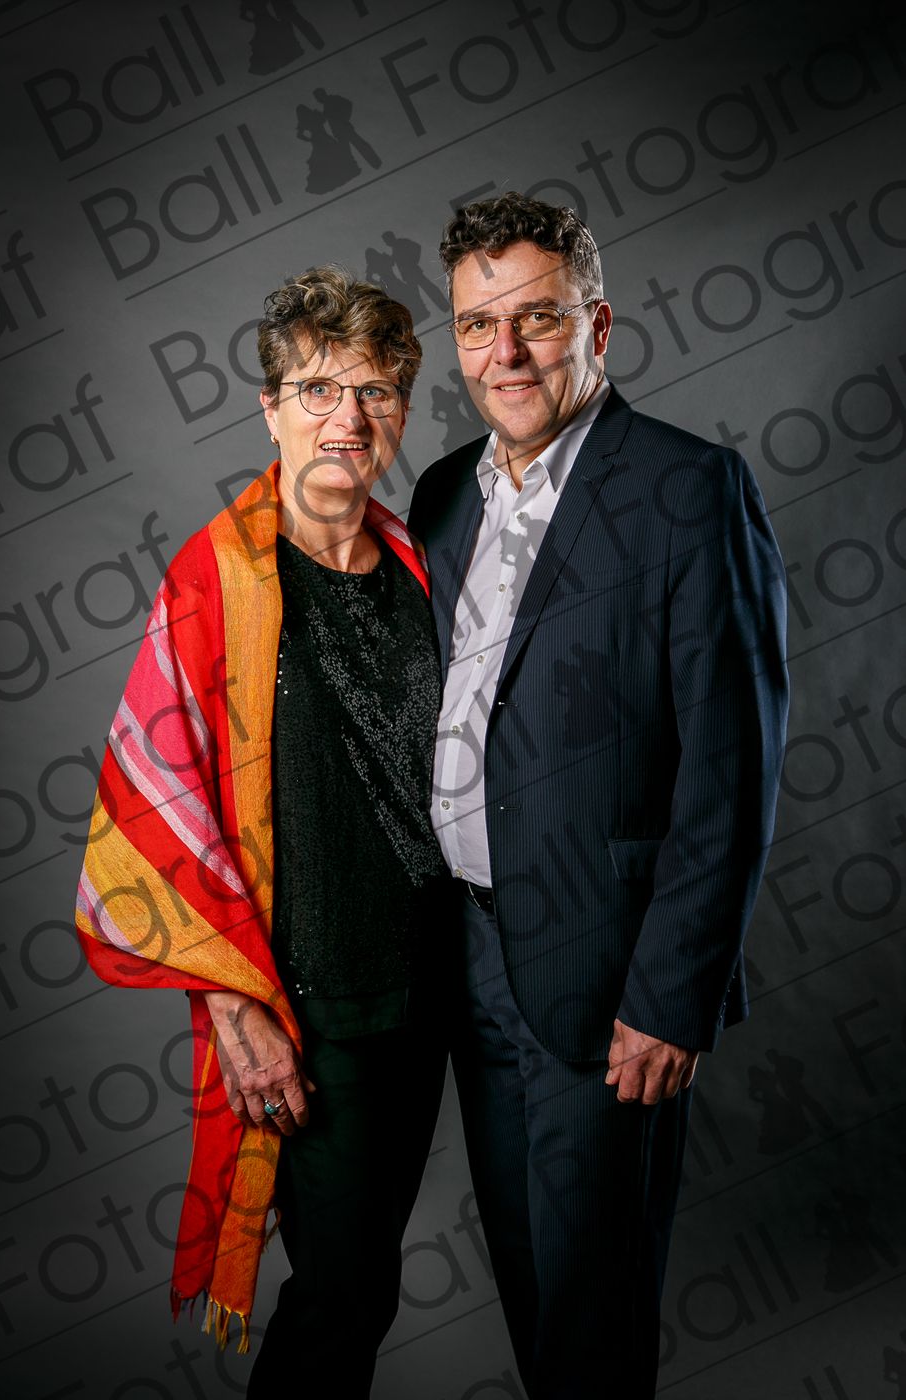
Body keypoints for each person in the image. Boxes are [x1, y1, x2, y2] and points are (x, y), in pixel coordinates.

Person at [407, 192, 790, 1398]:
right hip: (470, 960)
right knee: (532, 1290)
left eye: (536, 318)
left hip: (610, 973)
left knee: (593, 1314)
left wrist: (672, 997)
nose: (506, 353)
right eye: (478, 325)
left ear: (598, 325)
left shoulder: (690, 489)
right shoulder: (442, 494)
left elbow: (733, 763)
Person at [75, 266, 452, 1397]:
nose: (349, 418)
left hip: (432, 990)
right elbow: (154, 813)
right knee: (341, 1292)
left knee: (366, 1285)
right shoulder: (217, 577)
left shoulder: (423, 565)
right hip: (310, 1007)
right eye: (319, 390)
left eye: (376, 391)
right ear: (270, 408)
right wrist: (237, 1009)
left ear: (402, 408)